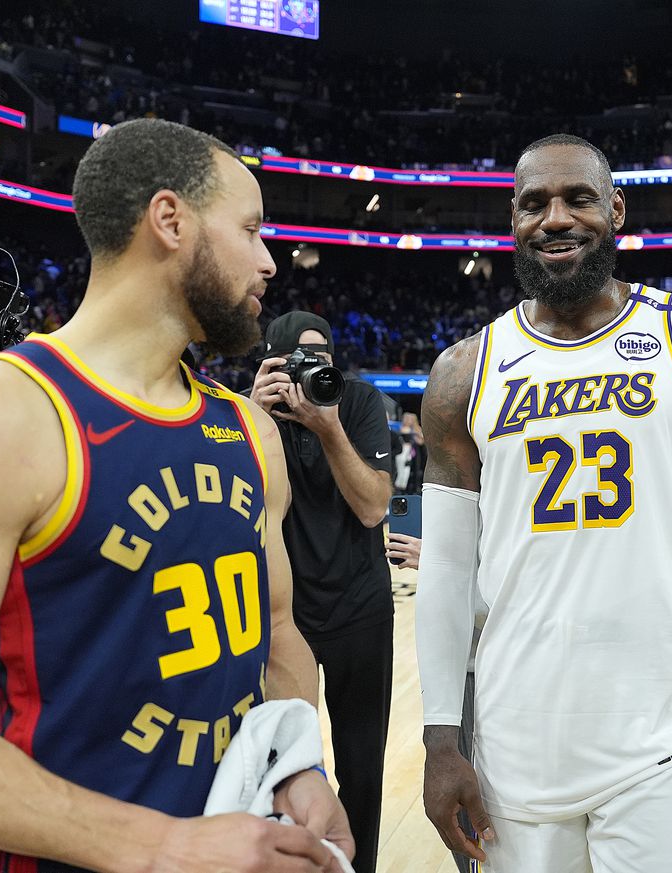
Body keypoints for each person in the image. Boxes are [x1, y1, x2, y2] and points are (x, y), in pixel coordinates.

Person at [0, 118, 352, 873]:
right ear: (170, 220)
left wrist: (296, 761)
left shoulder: (249, 429)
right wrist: (162, 845)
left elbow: (277, 633)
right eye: (251, 229)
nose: (270, 261)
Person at [416, 133, 672, 872]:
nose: (555, 218)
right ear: (514, 220)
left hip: (664, 738)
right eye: (534, 204)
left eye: (578, 198)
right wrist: (439, 740)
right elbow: (447, 572)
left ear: (615, 209)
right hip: (514, 742)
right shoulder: (463, 373)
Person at [249, 312, 393, 873]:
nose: (314, 371)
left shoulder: (356, 403)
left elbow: (373, 506)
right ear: (272, 364)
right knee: (283, 761)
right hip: (285, 617)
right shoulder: (248, 414)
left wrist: (326, 424)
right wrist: (256, 415)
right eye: (299, 361)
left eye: (323, 360)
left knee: (362, 767)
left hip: (360, 608)